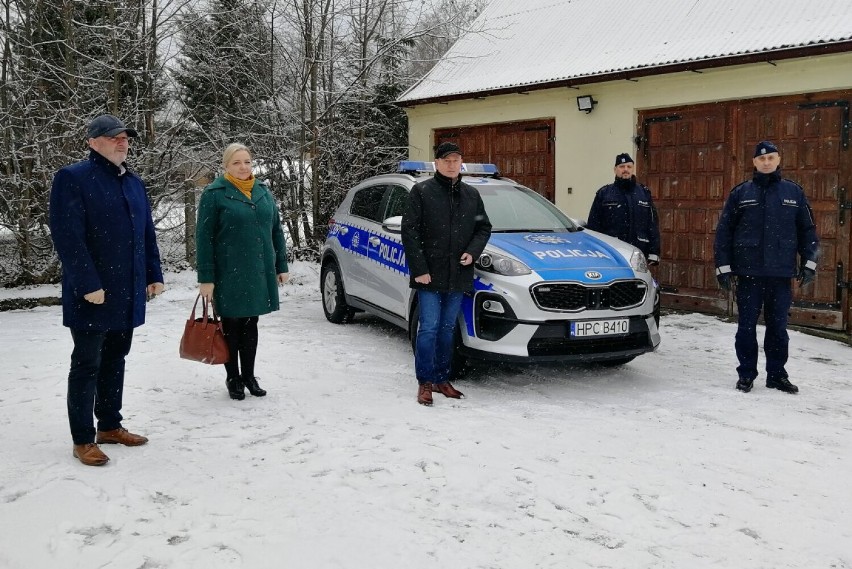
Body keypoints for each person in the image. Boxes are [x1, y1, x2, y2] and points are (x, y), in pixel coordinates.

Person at [49, 114, 165, 467]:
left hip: (126, 290)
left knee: (116, 358)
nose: (122, 142)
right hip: (93, 293)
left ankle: (110, 426)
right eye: (113, 137)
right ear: (93, 142)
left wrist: (153, 273)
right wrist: (88, 283)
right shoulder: (73, 178)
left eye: (125, 137)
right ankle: (83, 438)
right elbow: (68, 237)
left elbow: (146, 233)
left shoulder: (133, 182)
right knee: (87, 363)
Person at [714, 140, 819, 395]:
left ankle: (777, 375)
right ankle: (747, 374)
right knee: (746, 327)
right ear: (754, 162)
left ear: (779, 160)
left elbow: (808, 230)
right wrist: (723, 267)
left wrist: (809, 263)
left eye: (771, 158)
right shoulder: (741, 193)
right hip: (749, 273)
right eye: (761, 159)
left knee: (778, 329)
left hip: (781, 274)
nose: (766, 162)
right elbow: (724, 232)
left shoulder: (794, 193)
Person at [401, 142, 492, 406]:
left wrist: (473, 252)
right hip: (428, 274)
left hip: (458, 273)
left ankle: (442, 379)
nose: (452, 165)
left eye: (456, 160)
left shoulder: (471, 195)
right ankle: (425, 382)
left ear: (460, 163)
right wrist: (419, 270)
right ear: (437, 163)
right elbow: (410, 232)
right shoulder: (422, 192)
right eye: (447, 160)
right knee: (428, 328)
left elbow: (483, 228)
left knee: (448, 328)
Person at [196, 143, 289, 401]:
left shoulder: (263, 192)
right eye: (237, 162)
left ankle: (249, 375)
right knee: (231, 325)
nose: (243, 167)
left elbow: (276, 231)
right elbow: (203, 238)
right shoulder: (214, 194)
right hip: (229, 271)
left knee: (251, 323)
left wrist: (281, 265)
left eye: (247, 161)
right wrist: (206, 277)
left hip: (258, 270)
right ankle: (233, 377)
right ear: (226, 166)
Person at [587, 153, 661, 265]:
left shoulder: (644, 193)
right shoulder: (604, 193)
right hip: (611, 253)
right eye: (622, 167)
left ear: (633, 169)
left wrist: (654, 252)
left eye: (629, 167)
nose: (625, 170)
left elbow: (652, 224)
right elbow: (594, 225)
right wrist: (593, 251)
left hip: (638, 253)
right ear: (615, 170)